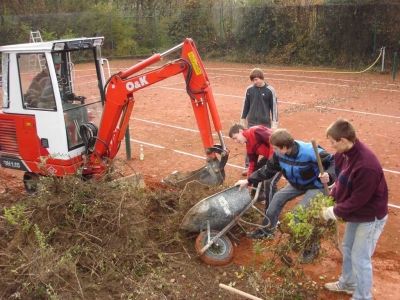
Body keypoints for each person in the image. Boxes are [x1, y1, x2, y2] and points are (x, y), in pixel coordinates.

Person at [235, 128, 335, 262]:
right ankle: (267, 231)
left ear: (285, 146)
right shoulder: (279, 154)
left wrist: (330, 175)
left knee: (299, 214)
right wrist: (248, 180)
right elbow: (268, 170)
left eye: (276, 148)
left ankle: (311, 248)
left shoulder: (309, 151)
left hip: (316, 185)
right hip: (298, 183)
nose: (274, 151)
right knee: (277, 198)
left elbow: (334, 162)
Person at [319, 118, 388, 300]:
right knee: (348, 246)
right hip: (357, 214)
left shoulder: (367, 166)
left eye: (333, 142)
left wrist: (334, 211)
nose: (331, 146)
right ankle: (348, 283)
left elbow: (359, 199)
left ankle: (363, 296)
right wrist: (331, 191)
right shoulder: (343, 154)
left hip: (370, 216)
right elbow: (341, 180)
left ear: (343, 140)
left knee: (361, 258)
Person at [228, 123, 281, 205]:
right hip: (270, 158)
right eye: (233, 140)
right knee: (256, 171)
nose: (236, 141)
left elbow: (274, 141)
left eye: (235, 137)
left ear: (241, 131)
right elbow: (252, 165)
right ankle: (259, 194)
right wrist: (248, 182)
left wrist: (271, 161)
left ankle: (272, 205)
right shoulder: (248, 146)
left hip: (281, 155)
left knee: (270, 182)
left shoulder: (255, 131)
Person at [240, 68, 278, 176]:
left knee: (268, 144)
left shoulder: (270, 90)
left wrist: (274, 124)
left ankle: (270, 165)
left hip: (264, 123)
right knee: (249, 143)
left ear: (261, 78)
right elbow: (245, 106)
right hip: (251, 122)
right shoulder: (249, 90)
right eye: (253, 80)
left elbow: (274, 108)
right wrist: (242, 120)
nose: (254, 82)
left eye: (256, 79)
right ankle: (248, 166)